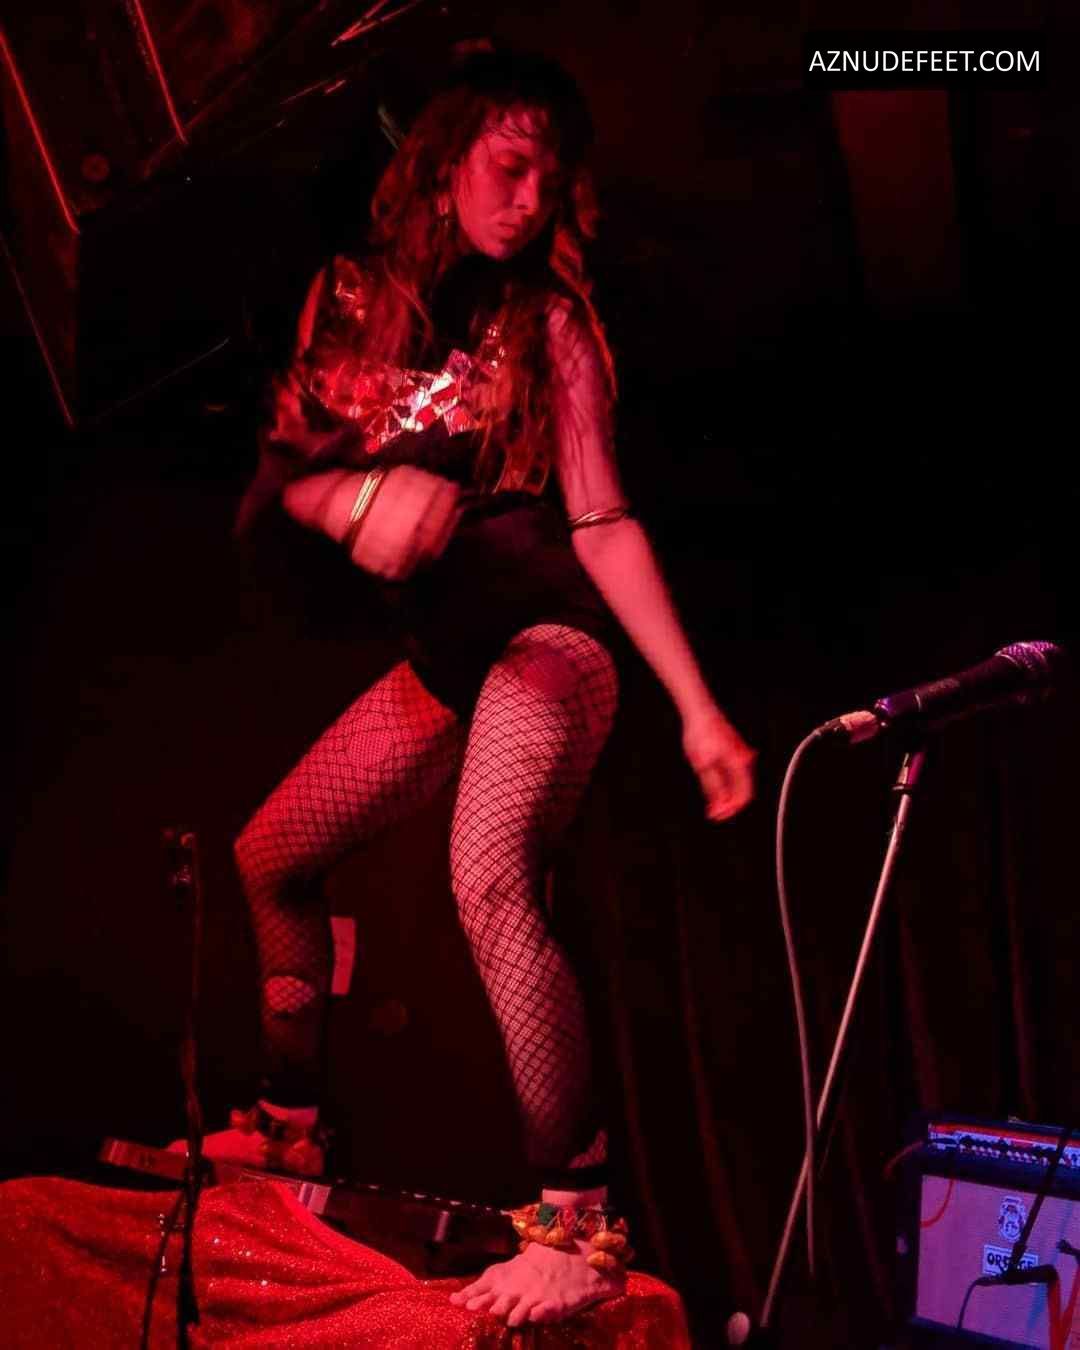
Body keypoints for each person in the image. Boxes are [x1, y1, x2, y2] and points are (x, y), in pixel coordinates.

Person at [179, 47, 755, 1327]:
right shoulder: (352, 302)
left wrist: (699, 706)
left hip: (550, 636)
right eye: (511, 165)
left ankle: (580, 1227)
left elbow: (603, 520)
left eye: (553, 175)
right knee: (272, 854)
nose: (533, 196)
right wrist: (354, 502)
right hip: (446, 659)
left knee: (486, 873)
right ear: (444, 165)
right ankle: (288, 1129)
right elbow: (286, 484)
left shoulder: (549, 323)